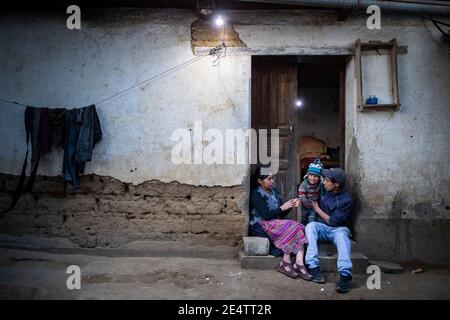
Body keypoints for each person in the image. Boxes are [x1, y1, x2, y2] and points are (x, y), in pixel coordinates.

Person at [249, 166, 313, 280]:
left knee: (300, 227)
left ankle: (297, 262)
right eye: (269, 179)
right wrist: (283, 207)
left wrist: (290, 205)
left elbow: (280, 214)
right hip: (261, 224)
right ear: (259, 181)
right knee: (295, 226)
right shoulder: (256, 194)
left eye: (272, 178)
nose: (272, 181)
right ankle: (290, 263)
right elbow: (266, 215)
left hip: (275, 223)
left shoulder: (274, 192)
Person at [305, 167, 354, 293]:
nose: (324, 182)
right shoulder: (326, 192)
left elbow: (333, 222)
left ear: (336, 184)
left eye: (327, 180)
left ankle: (345, 275)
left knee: (343, 236)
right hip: (323, 228)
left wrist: (317, 208)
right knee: (310, 226)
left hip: (338, 229)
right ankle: (313, 267)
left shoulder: (346, 200)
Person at [298, 159, 323, 225]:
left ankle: (311, 232)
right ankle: (303, 232)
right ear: (307, 175)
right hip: (305, 205)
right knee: (304, 219)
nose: (313, 178)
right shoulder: (305, 184)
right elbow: (301, 194)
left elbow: (322, 193)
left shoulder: (320, 184)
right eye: (311, 175)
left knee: (312, 220)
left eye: (316, 176)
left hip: (314, 206)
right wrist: (307, 203)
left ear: (320, 177)